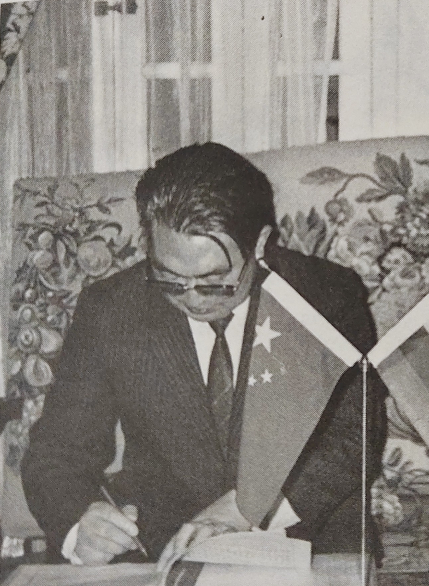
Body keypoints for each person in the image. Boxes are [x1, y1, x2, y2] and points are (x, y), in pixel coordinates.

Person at [22, 142, 385, 567]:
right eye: (169, 278)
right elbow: (58, 450)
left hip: (309, 539)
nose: (193, 299)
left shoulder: (325, 295)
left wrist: (246, 508)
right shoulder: (110, 309)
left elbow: (354, 435)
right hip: (161, 548)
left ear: (259, 244)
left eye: (215, 280)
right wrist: (78, 526)